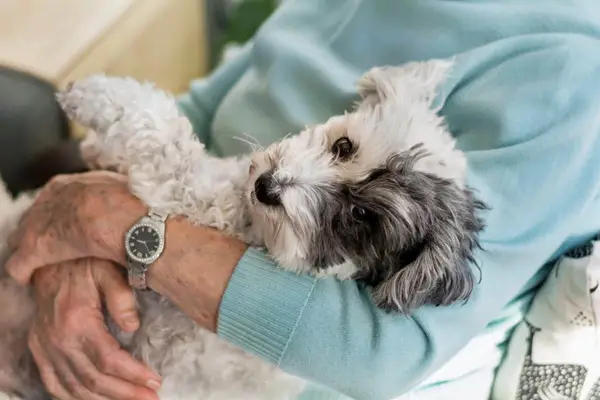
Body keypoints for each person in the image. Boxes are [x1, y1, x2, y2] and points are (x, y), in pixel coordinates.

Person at [6, 1, 600, 399]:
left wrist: (117, 229)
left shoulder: (573, 79)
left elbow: (377, 350)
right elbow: (204, 110)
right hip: (147, 224)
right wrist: (78, 245)